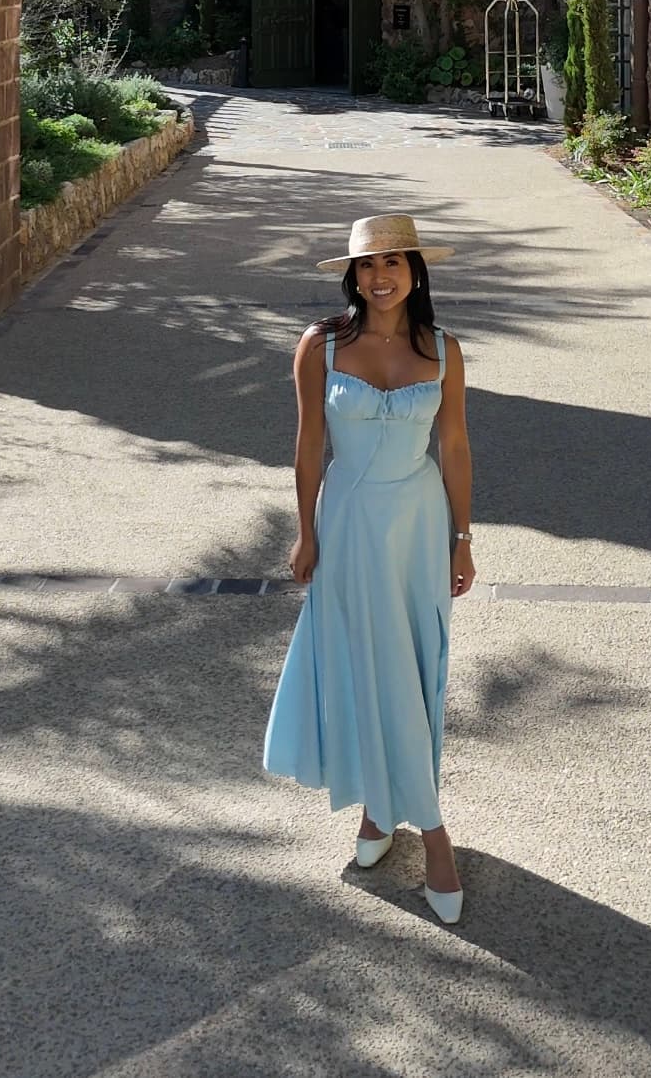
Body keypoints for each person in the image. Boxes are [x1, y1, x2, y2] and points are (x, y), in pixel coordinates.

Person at [263, 213, 475, 924]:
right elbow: (306, 449)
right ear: (352, 276)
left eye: (394, 263)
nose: (380, 277)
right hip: (349, 523)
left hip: (417, 529)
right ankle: (422, 832)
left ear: (416, 272)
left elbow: (454, 449)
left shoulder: (443, 350)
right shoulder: (320, 347)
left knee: (412, 672)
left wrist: (463, 537)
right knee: (368, 668)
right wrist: (304, 535)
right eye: (367, 266)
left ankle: (390, 816)